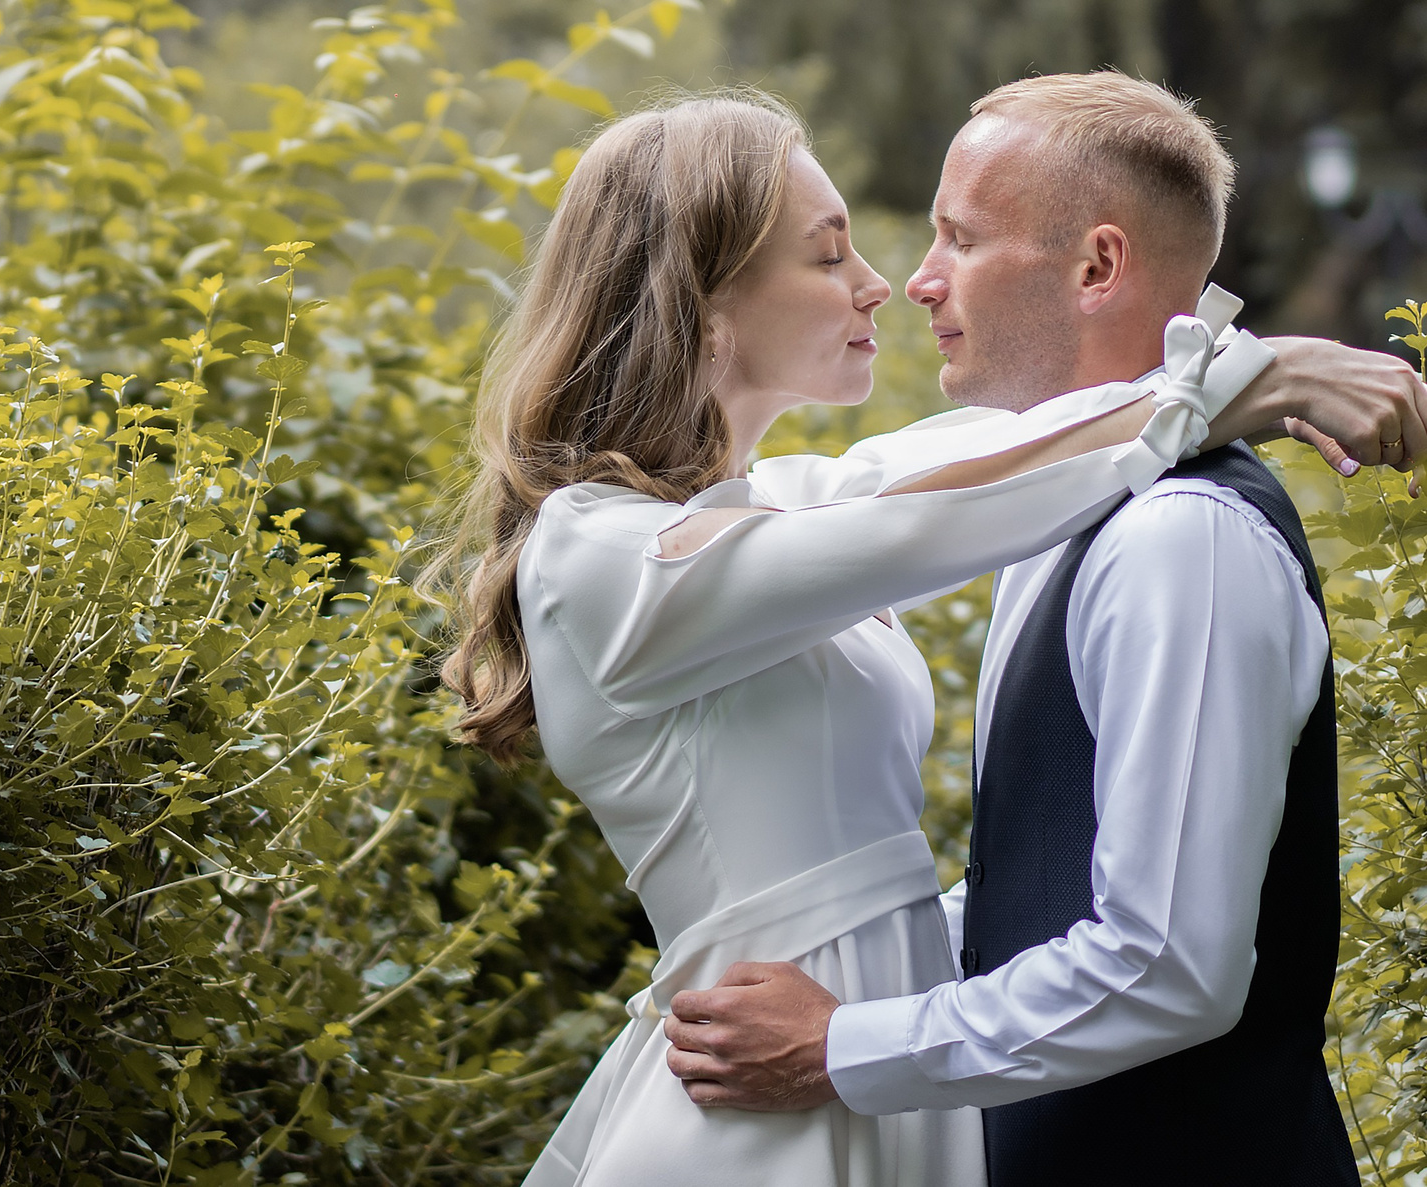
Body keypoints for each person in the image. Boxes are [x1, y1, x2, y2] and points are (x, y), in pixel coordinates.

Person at [431, 88, 1422, 1187]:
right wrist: (1245, 374)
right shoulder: (601, 554)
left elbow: (922, 477)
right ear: (702, 304)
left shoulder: (794, 512)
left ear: (1095, 265)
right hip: (771, 1103)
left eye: (954, 238)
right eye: (826, 257)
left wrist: (1223, 379)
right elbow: (935, 500)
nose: (889, 283)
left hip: (868, 1077)